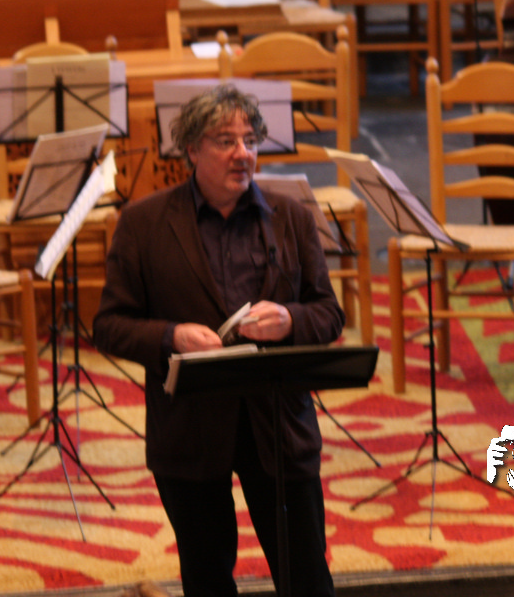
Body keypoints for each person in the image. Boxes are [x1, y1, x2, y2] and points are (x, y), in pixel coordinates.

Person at [93, 84, 345, 597]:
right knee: (206, 580)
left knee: (307, 579)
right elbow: (109, 325)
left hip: (277, 424)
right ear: (192, 149)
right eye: (226, 141)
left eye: (250, 140)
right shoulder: (143, 224)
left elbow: (328, 314)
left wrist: (290, 320)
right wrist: (171, 335)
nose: (242, 153)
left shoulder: (291, 217)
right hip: (190, 426)